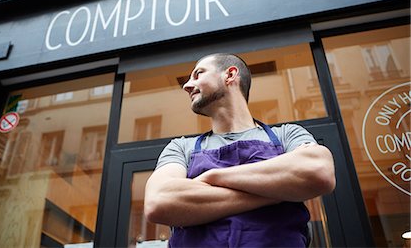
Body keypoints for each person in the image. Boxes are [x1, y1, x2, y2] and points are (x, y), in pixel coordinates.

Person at [144, 53, 336, 247]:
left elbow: (318, 170)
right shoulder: (181, 147)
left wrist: (212, 177)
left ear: (230, 75)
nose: (187, 85)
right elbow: (159, 201)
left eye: (198, 74)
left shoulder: (287, 134)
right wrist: (278, 191)